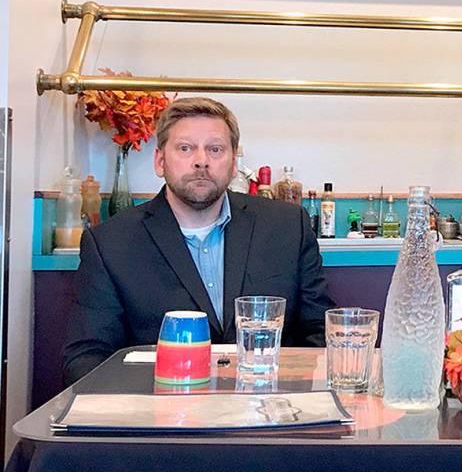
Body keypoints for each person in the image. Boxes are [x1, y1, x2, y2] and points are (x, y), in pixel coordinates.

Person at [62, 97, 336, 385]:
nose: (201, 160)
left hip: (268, 403)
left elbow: (320, 332)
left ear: (234, 164)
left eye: (215, 149)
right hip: (161, 406)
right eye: (185, 148)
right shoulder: (110, 243)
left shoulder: (287, 227)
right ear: (160, 161)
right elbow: (85, 359)